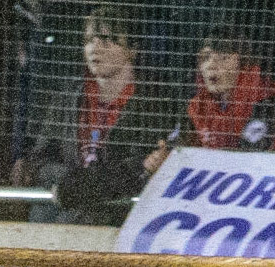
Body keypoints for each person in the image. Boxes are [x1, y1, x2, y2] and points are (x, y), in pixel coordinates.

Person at [15, 5, 177, 225]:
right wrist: (75, 182)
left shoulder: (153, 103)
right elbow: (41, 159)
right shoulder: (68, 97)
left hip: (117, 219)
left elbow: (144, 168)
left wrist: (82, 186)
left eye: (107, 39)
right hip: (60, 217)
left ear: (133, 49)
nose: (95, 47)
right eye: (89, 40)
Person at [142, 26, 275, 176]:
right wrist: (162, 159)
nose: (211, 65)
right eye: (205, 58)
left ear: (244, 62)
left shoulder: (270, 98)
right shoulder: (197, 106)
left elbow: (249, 159)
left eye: (223, 57)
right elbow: (176, 147)